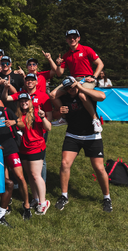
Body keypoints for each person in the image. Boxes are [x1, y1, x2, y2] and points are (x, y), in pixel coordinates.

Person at [50, 77, 112, 212]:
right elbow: (53, 96)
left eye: (72, 86)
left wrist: (80, 85)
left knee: (99, 168)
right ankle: (64, 195)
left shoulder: (86, 92)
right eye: (67, 88)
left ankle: (107, 198)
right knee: (65, 163)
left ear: (77, 84)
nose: (71, 90)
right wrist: (61, 111)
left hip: (92, 134)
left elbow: (102, 96)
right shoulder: (65, 96)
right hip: (73, 134)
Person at [0, 90, 31, 221]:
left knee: (20, 177)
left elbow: (21, 124)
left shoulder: (6, 110)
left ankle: (26, 205)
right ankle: (6, 205)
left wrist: (14, 123)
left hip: (10, 148)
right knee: (4, 181)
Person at [53, 29, 104, 130]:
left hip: (86, 78)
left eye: (74, 37)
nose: (72, 39)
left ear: (78, 38)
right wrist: (58, 65)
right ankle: (64, 117)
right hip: (72, 80)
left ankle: (95, 120)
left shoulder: (86, 49)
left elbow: (100, 64)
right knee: (52, 95)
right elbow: (59, 73)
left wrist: (94, 77)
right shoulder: (66, 55)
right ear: (66, 40)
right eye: (69, 38)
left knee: (82, 94)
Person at [15, 93, 51, 215]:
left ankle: (43, 202)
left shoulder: (36, 113)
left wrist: (44, 117)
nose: (24, 102)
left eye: (26, 100)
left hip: (36, 147)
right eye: (21, 101)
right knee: (30, 175)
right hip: (23, 148)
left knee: (36, 175)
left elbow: (49, 128)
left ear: (30, 101)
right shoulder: (18, 115)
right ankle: (35, 199)